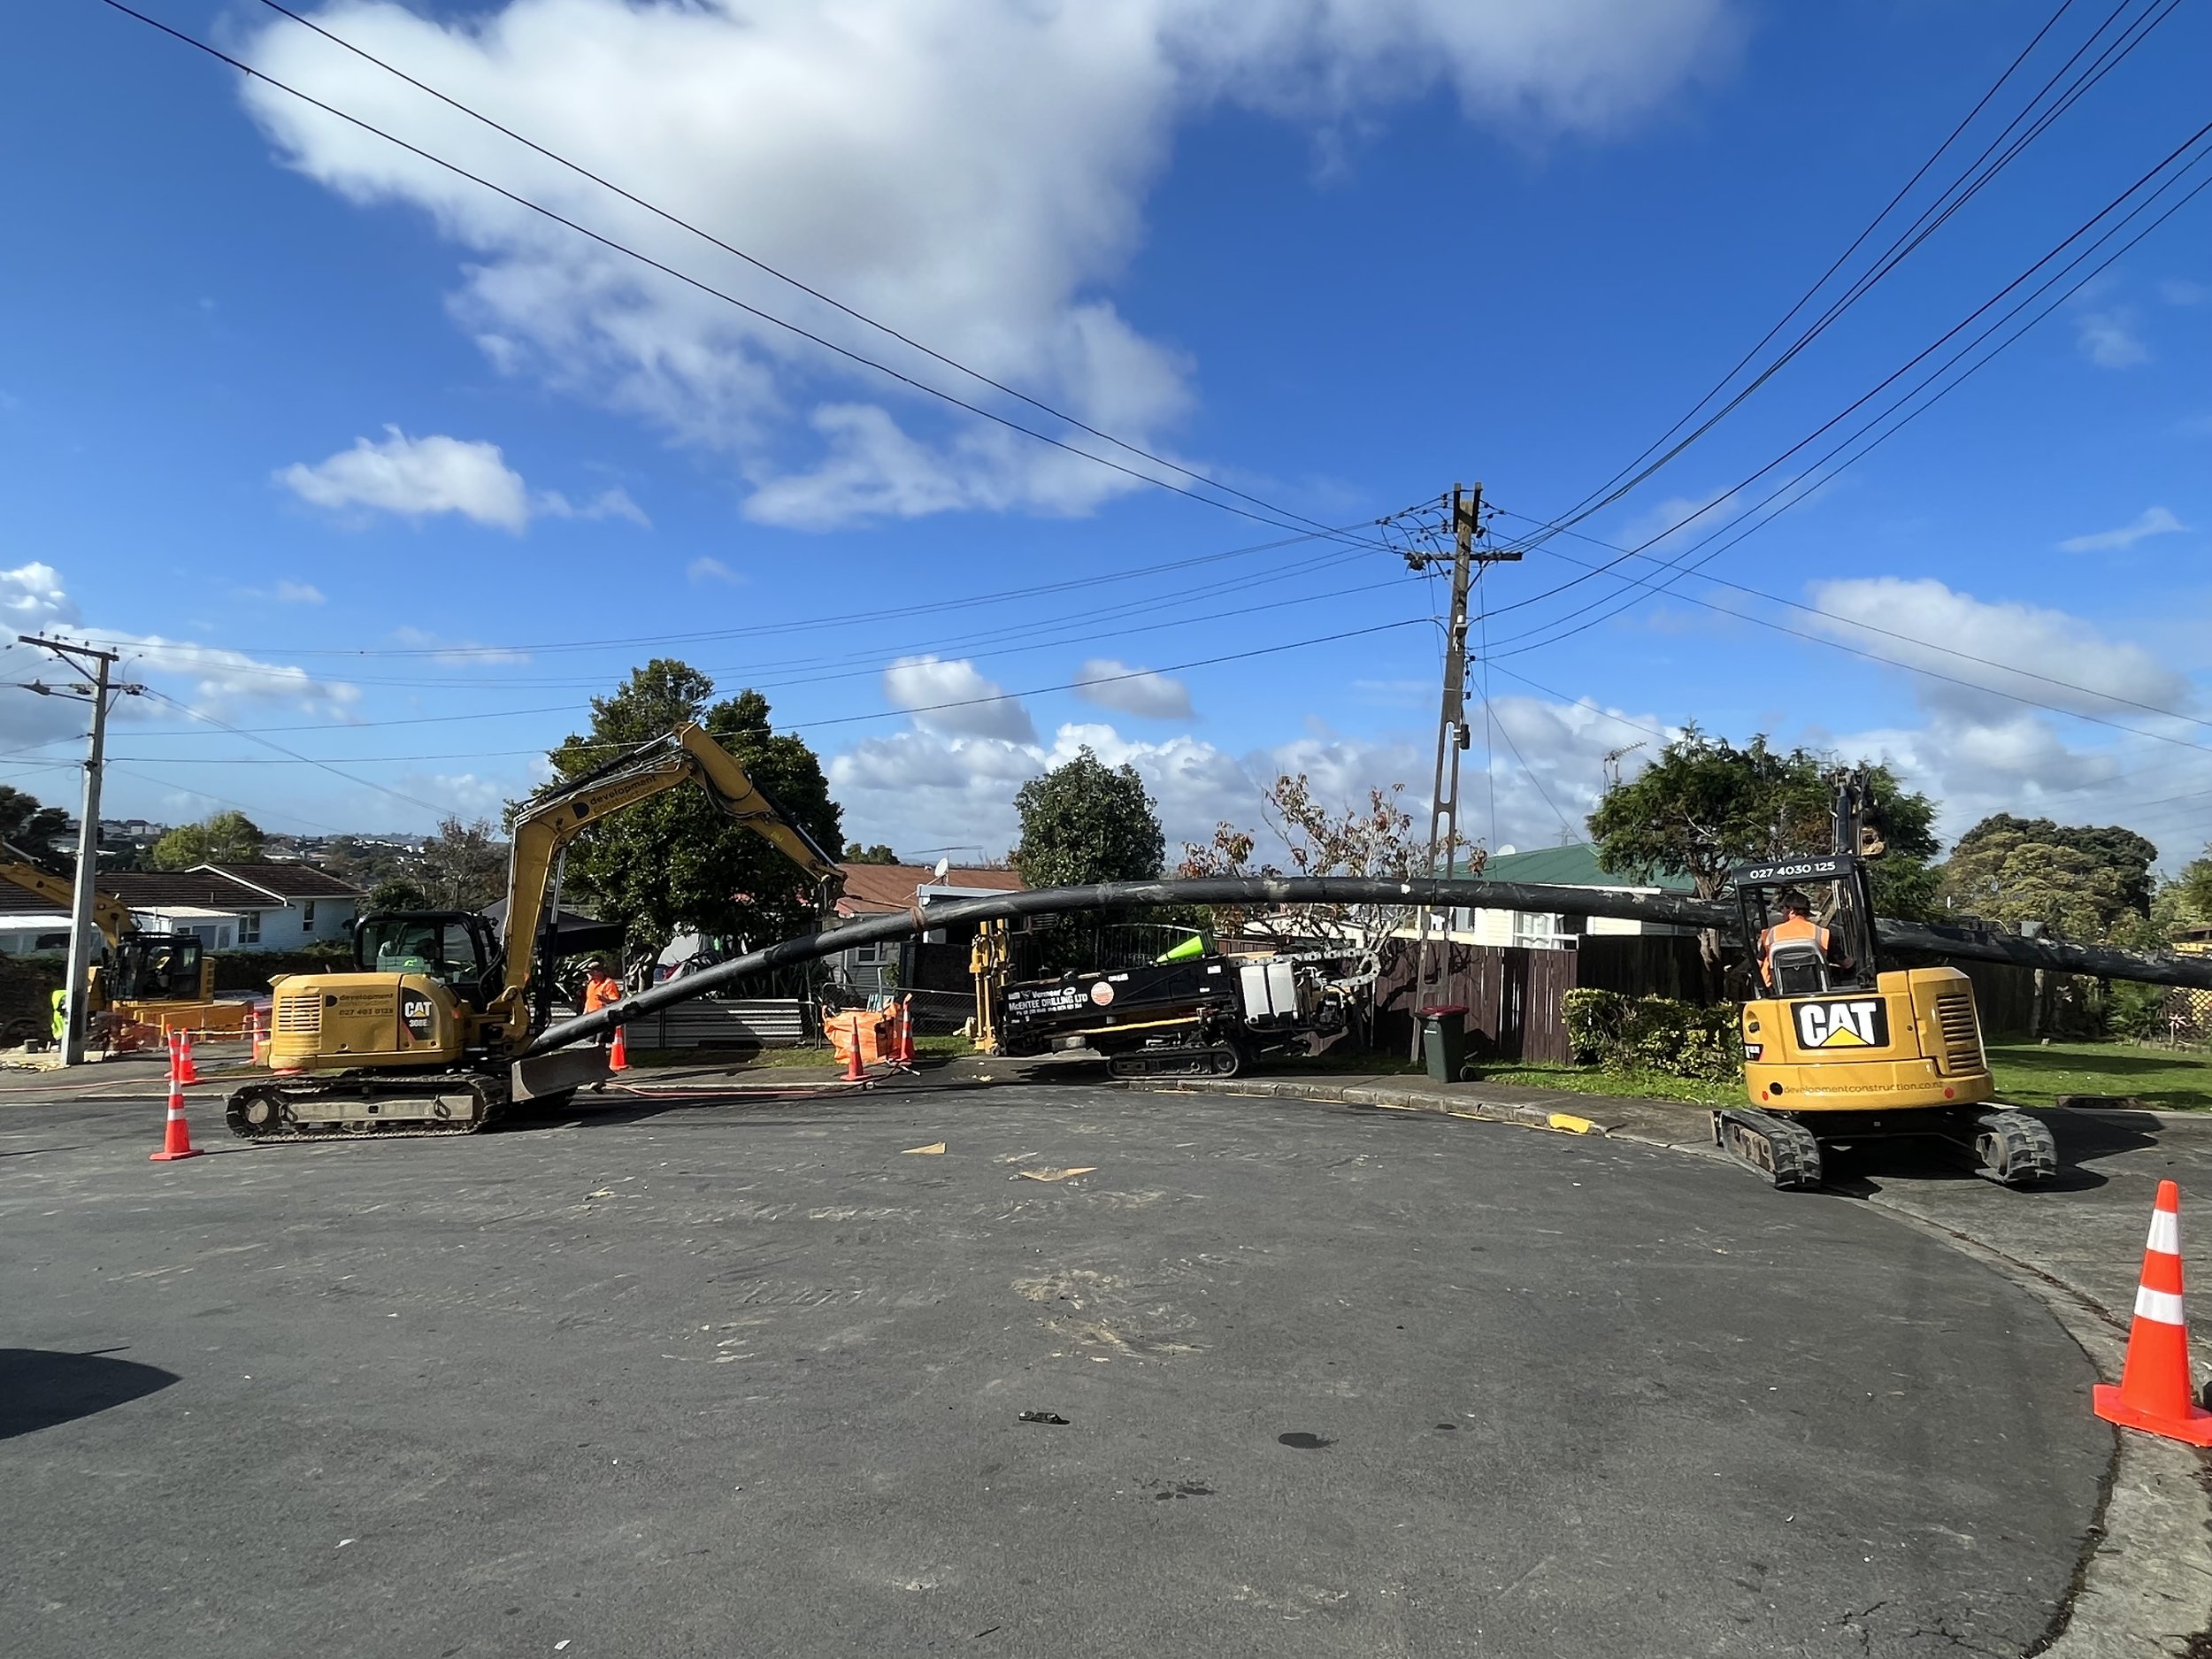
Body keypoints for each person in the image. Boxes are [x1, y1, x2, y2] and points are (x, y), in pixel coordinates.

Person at [1757, 890, 1851, 990]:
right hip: (1817, 990)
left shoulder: (1770, 934)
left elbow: (1759, 963)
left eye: (1782, 908)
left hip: (1775, 991)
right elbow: (1847, 963)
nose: (1782, 912)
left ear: (1791, 910)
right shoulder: (1821, 933)